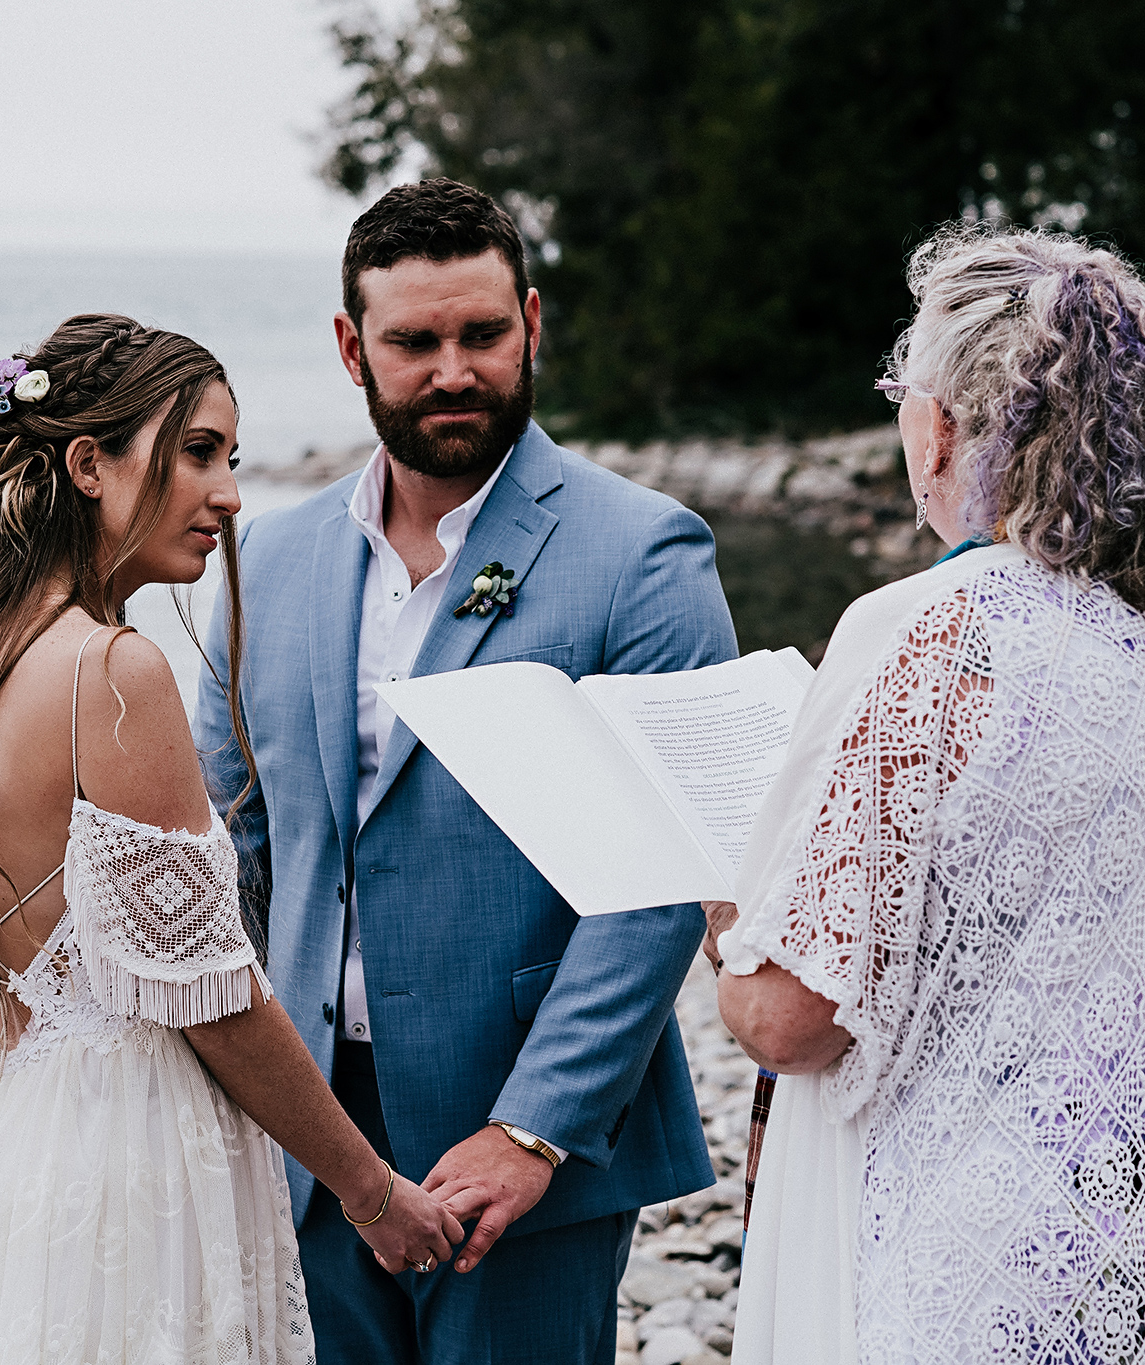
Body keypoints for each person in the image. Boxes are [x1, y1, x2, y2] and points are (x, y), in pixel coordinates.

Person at [708, 228, 1145, 1364]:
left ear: (942, 424)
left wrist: (726, 901)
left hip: (993, 1266)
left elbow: (788, 1020)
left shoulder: (930, 629)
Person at [192, 178, 737, 1363]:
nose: (453, 371)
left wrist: (532, 1131)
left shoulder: (642, 551)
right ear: (352, 348)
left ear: (530, 324)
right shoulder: (265, 563)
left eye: (481, 335)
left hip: (524, 1130)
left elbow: (661, 873)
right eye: (414, 341)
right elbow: (228, 844)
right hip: (309, 1131)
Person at [0, 314, 458, 1364]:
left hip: (9, 1144)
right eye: (197, 453)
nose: (230, 495)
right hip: (124, 1155)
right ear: (89, 463)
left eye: (228, 459)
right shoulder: (112, 669)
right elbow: (213, 996)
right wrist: (372, 1195)